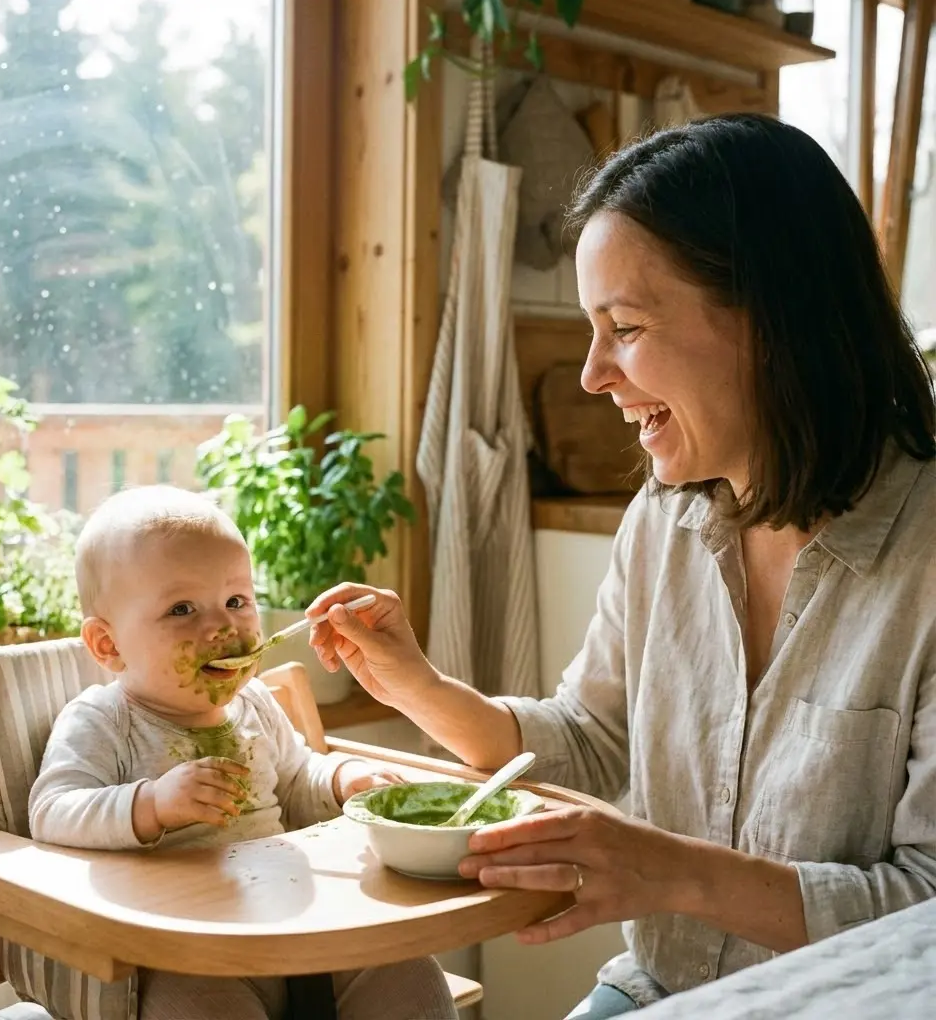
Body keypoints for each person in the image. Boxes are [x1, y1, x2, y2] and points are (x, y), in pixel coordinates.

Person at [305, 113, 936, 1019]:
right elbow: (591, 738)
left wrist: (673, 872)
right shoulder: (664, 520)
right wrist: (416, 686)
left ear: (772, 320)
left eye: (626, 327)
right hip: (659, 989)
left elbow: (925, 910)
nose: (594, 373)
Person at [28, 485, 456, 1020]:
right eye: (182, 609)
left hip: (300, 927)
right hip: (186, 953)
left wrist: (343, 778)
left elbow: (297, 779)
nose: (223, 626)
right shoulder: (103, 721)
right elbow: (51, 811)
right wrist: (152, 805)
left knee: (411, 973)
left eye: (236, 601)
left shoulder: (253, 703)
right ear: (108, 645)